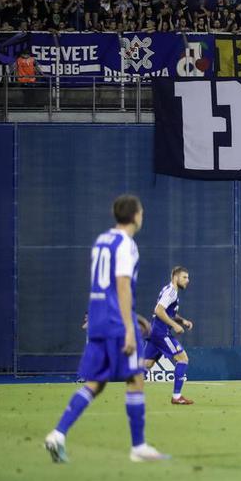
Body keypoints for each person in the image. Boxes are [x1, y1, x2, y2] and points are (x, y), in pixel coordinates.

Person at [44, 194, 169, 463]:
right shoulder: (127, 244)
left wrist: (134, 317)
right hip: (116, 323)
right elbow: (122, 286)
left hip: (99, 320)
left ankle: (58, 433)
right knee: (135, 378)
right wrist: (128, 326)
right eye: (142, 212)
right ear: (135, 215)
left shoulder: (102, 241)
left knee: (96, 382)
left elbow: (107, 287)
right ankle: (138, 447)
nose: (142, 216)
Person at [141, 266, 195, 404]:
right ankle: (177, 397)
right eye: (184, 277)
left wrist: (182, 321)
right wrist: (174, 325)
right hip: (161, 333)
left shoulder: (169, 290)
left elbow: (168, 312)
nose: (187, 280)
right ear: (175, 277)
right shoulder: (171, 292)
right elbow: (159, 310)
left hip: (154, 332)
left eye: (188, 277)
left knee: (147, 364)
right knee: (183, 359)